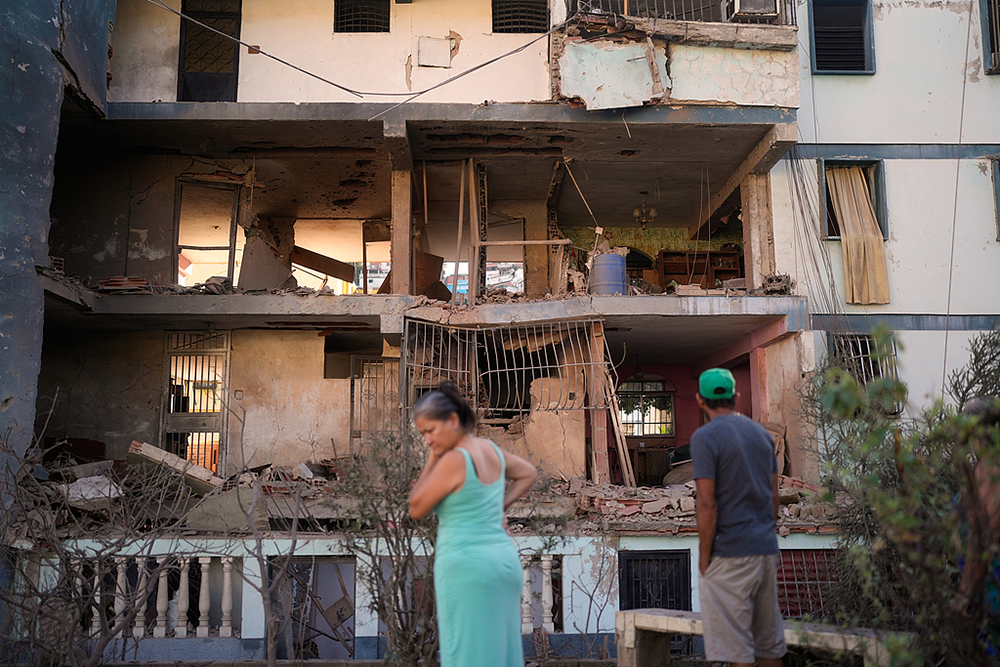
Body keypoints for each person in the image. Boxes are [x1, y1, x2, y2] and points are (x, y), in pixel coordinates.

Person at [408, 382, 538, 667]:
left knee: (468, 655)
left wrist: (432, 458)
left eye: (430, 431)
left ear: (453, 421)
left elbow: (416, 507)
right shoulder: (488, 448)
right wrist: (498, 507)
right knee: (500, 655)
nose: (427, 440)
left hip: (468, 568)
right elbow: (528, 473)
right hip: (503, 562)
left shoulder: (454, 459)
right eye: (423, 434)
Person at [691, 368, 785, 667]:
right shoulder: (762, 435)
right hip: (765, 551)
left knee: (737, 651)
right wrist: (764, 534)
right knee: (768, 646)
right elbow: (774, 497)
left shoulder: (705, 437)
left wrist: (704, 558)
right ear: (736, 396)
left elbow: (707, 504)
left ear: (700, 400)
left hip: (730, 554)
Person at [952, 396, 1000, 654]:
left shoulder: (990, 472)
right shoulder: (983, 466)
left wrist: (964, 595)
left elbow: (981, 540)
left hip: (990, 588)